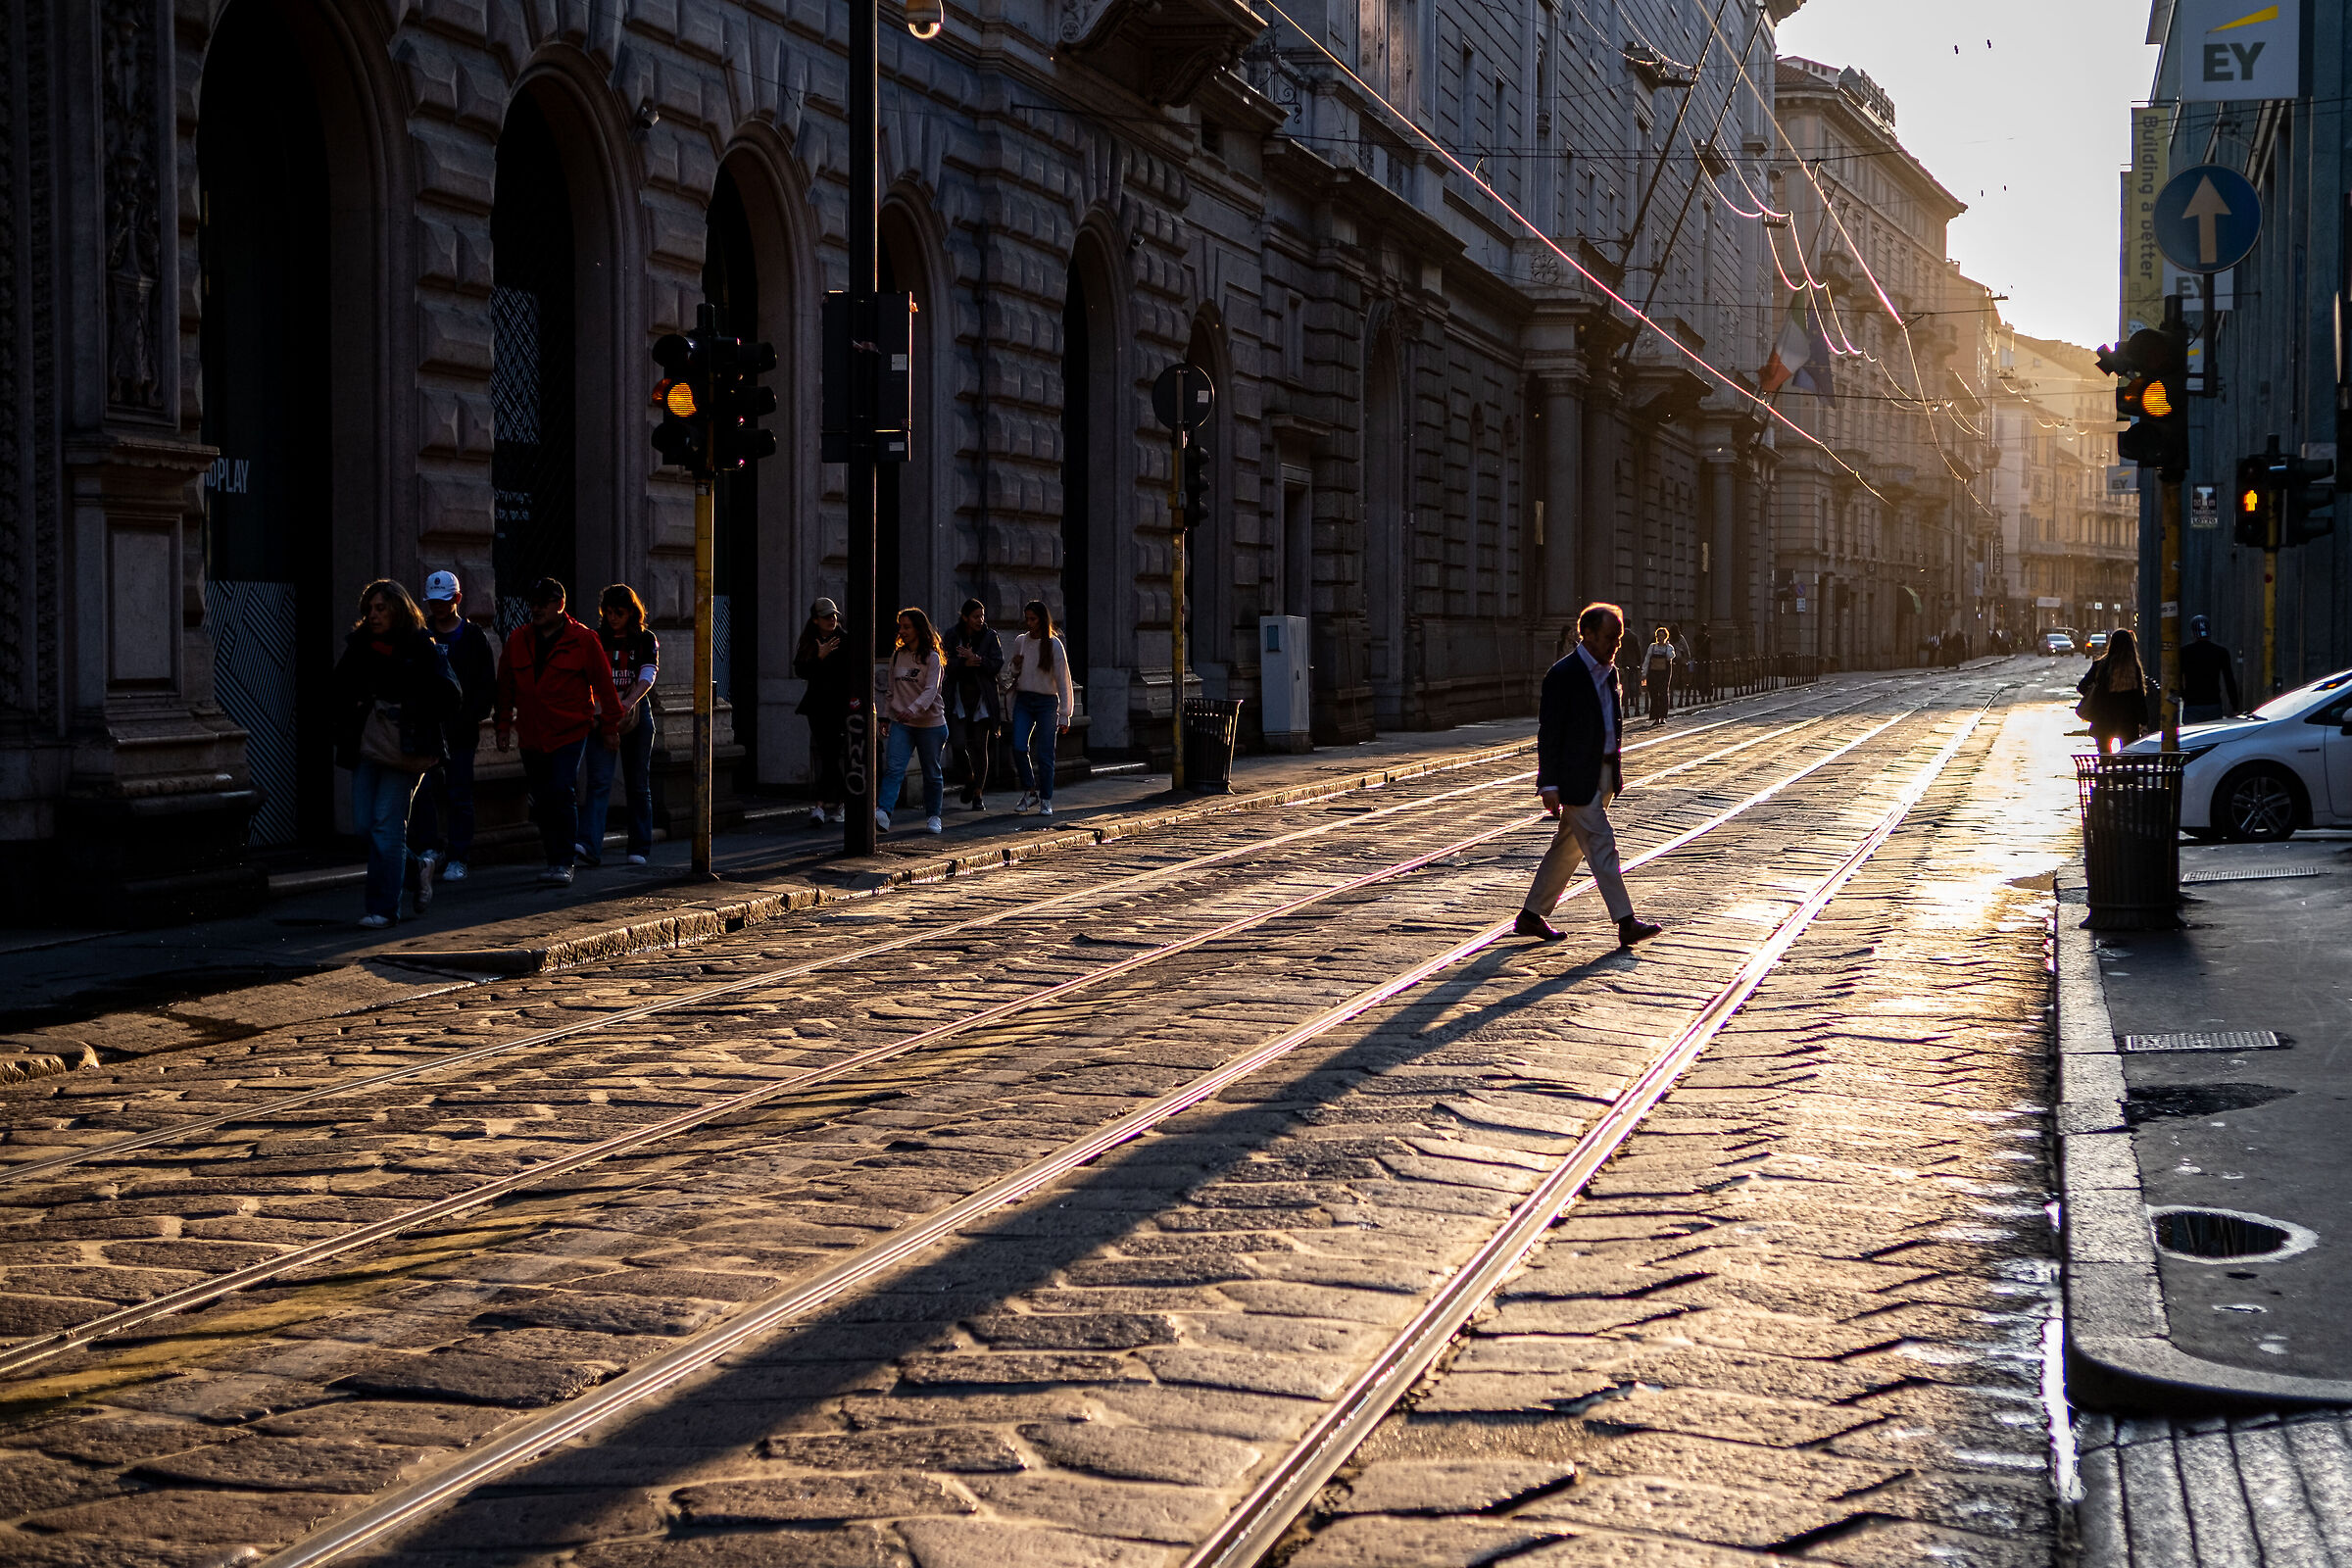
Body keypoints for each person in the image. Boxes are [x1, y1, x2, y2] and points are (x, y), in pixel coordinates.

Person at [1515, 601, 1663, 950]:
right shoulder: (1563, 674)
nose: (1616, 645)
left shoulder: (1610, 672)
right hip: (1576, 777)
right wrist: (1549, 783)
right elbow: (1550, 732)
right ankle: (1625, 921)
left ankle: (1531, 915)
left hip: (1604, 773)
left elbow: (1611, 723)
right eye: (1611, 637)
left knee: (1568, 847)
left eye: (1619, 638)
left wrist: (1614, 772)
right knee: (1601, 843)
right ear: (1589, 635)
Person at [331, 580, 461, 929]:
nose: (373, 615)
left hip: (406, 749)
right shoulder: (360, 645)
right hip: (368, 746)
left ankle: (383, 909)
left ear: (398, 610)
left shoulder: (420, 645)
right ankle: (418, 867)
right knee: (364, 826)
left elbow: (451, 695)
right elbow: (338, 688)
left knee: (386, 827)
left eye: (381, 608)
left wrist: (410, 710)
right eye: (369, 609)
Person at [495, 577, 622, 887]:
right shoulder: (518, 640)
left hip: (569, 731)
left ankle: (564, 861)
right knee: (542, 797)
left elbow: (605, 686)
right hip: (531, 733)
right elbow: (505, 686)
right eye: (533, 603)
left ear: (560, 604)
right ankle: (553, 858)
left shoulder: (583, 640)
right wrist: (503, 725)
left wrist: (609, 727)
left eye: (543, 603)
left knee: (562, 790)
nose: (536, 609)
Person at [408, 570, 497, 903]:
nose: (438, 607)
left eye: (444, 602)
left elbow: (485, 684)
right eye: (433, 602)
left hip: (460, 730)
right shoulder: (422, 634)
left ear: (456, 599)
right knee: (425, 792)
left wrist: (472, 715)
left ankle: (458, 855)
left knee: (459, 792)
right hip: (430, 728)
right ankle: (430, 849)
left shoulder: (473, 637)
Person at [579, 583, 661, 867]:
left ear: (631, 613)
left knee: (637, 783)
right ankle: (589, 845)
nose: (613, 618)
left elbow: (648, 674)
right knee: (599, 781)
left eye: (619, 613)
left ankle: (639, 846)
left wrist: (628, 702)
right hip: (602, 712)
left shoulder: (645, 639)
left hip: (635, 711)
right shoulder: (596, 638)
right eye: (609, 612)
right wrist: (606, 712)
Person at [876, 607, 949, 835]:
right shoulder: (898, 656)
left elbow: (931, 691)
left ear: (918, 629)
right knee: (894, 768)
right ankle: (883, 812)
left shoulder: (932, 658)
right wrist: (885, 717)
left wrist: (913, 709)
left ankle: (934, 816)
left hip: (931, 724)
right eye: (901, 627)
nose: (902, 631)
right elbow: (891, 691)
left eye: (907, 627)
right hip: (902, 723)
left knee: (931, 772)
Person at [1008, 600, 1074, 817]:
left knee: (1046, 753)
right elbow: (1014, 672)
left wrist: (1065, 714)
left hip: (1047, 702)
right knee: (1019, 746)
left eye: (1033, 619)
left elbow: (1063, 680)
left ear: (1042, 620)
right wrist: (1015, 664)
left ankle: (1046, 798)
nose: (1029, 623)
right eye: (1027, 619)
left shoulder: (1054, 645)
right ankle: (1030, 791)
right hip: (1024, 699)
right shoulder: (1021, 641)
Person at [941, 598, 1004, 811]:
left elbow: (997, 663)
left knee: (979, 746)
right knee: (958, 743)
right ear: (965, 617)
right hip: (957, 698)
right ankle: (969, 779)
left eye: (982, 616)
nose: (980, 620)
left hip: (982, 700)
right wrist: (964, 663)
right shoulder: (952, 635)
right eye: (976, 616)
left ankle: (978, 793)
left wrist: (977, 659)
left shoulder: (990, 636)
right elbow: (944, 663)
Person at [795, 598, 853, 826]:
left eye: (834, 615)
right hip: (817, 706)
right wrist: (819, 656)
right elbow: (801, 670)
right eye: (827, 616)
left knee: (831, 754)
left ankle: (823, 804)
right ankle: (835, 803)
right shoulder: (810, 641)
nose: (832, 619)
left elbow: (851, 673)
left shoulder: (845, 640)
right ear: (815, 620)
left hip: (840, 706)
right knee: (827, 754)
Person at [2077, 626, 2156, 754]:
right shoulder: (2134, 667)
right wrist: (2144, 720)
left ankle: (2106, 766)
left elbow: (2082, 686)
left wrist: (2096, 695)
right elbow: (2139, 696)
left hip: (2103, 719)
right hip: (2128, 721)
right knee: (2127, 756)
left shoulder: (2100, 665)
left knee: (2104, 756)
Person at [2179, 615, 2242, 724]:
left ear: (2193, 633)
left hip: (2192, 704)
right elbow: (2229, 681)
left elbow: (2176, 679)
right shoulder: (2221, 652)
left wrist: (2184, 696)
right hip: (2213, 704)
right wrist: (2235, 707)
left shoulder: (2184, 652)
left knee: (2192, 733)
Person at [1641, 626, 1677, 727]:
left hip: (1664, 673)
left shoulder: (1669, 647)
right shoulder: (1652, 647)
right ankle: (1656, 717)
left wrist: (1667, 646)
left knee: (1663, 693)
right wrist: (1644, 673)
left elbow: (1671, 656)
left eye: (1662, 636)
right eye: (1659, 636)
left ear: (1665, 637)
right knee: (1654, 694)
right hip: (1653, 672)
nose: (1660, 638)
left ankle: (1662, 717)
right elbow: (1647, 659)